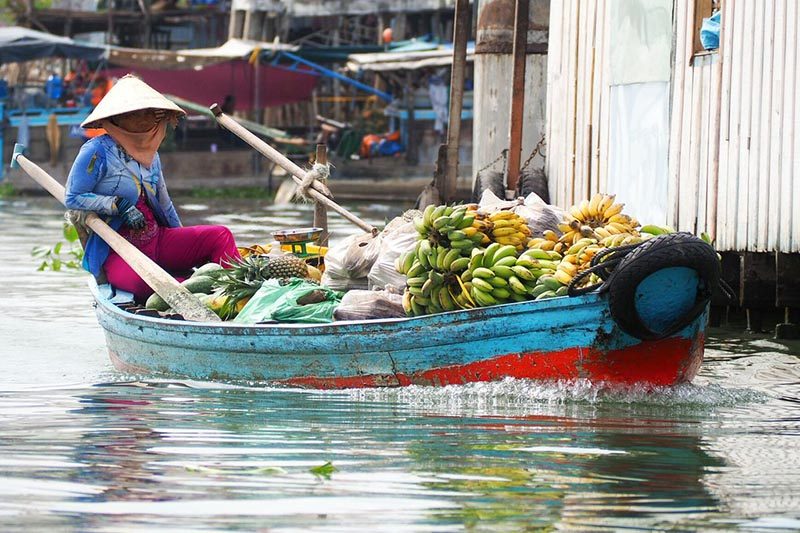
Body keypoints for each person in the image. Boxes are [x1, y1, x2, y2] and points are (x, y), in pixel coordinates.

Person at [65, 74, 240, 302]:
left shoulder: (151, 155)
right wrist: (118, 205)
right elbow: (73, 197)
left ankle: (236, 293)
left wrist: (185, 245)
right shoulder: (96, 151)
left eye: (151, 112)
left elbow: (165, 206)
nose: (148, 118)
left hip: (157, 240)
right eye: (139, 113)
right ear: (120, 118)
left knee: (220, 235)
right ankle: (188, 290)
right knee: (144, 283)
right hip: (120, 251)